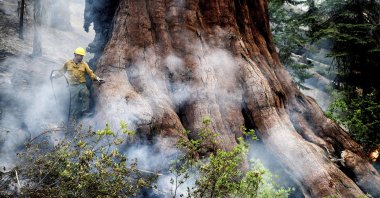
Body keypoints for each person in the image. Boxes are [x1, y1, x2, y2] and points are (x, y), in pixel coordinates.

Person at [52, 47, 104, 123]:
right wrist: (54, 76)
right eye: (79, 55)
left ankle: (85, 112)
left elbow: (90, 73)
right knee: (73, 103)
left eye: (82, 56)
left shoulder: (84, 65)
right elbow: (61, 72)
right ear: (75, 54)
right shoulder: (68, 63)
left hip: (81, 85)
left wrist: (98, 78)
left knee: (85, 93)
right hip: (72, 86)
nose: (81, 57)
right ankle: (72, 120)